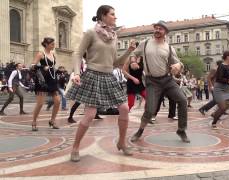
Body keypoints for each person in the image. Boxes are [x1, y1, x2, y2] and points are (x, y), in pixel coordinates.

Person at [66, 5, 135, 162]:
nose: (115, 17)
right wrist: (77, 73)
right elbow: (77, 54)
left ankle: (121, 142)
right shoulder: (91, 33)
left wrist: (129, 50)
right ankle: (75, 147)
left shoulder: (113, 36)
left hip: (109, 76)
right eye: (112, 14)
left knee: (124, 108)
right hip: (93, 75)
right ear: (103, 16)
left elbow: (116, 62)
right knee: (90, 115)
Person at [130, 20, 190, 143]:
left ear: (166, 32)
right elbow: (134, 53)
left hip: (167, 80)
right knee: (150, 109)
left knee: (183, 100)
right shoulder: (145, 43)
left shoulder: (169, 48)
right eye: (156, 28)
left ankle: (181, 130)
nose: (157, 30)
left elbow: (179, 64)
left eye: (160, 28)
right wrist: (133, 61)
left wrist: (178, 66)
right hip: (152, 81)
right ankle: (140, 130)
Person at [31, 37, 60, 131]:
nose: (54, 45)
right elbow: (32, 66)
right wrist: (42, 66)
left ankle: (52, 120)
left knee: (57, 101)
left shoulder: (53, 54)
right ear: (46, 44)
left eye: (54, 44)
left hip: (52, 79)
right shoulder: (41, 54)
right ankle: (34, 121)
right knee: (40, 104)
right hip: (42, 81)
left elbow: (52, 66)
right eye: (52, 44)